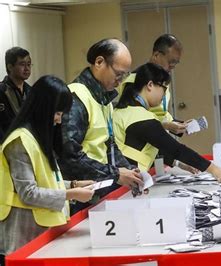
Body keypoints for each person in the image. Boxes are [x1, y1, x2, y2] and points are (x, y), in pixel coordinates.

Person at [0, 76, 94, 259]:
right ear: (43, 109)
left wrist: (73, 185)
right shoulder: (20, 142)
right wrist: (71, 195)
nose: (59, 120)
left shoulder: (37, 137)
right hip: (22, 234)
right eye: (57, 113)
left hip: (39, 230)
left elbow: (47, 180)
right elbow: (28, 192)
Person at [58, 38, 144, 214]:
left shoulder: (104, 100)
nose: (120, 81)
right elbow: (70, 156)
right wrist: (116, 174)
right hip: (81, 195)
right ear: (99, 62)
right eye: (118, 74)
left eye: (125, 76)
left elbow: (109, 145)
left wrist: (129, 172)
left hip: (100, 190)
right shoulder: (76, 97)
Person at [114, 63, 221, 184]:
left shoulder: (125, 111)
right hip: (125, 182)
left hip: (123, 177)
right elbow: (176, 149)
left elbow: (147, 148)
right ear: (150, 85)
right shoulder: (140, 117)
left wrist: (178, 163)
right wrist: (213, 169)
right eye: (164, 88)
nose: (164, 95)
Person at [119, 34, 188, 136]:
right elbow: (134, 122)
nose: (172, 66)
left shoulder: (162, 81)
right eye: (170, 62)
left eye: (176, 63)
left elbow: (160, 113)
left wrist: (179, 125)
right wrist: (166, 126)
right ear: (156, 55)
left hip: (157, 141)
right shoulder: (134, 81)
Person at [0, 47, 33, 140]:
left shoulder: (31, 91)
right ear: (10, 67)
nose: (27, 68)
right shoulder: (2, 91)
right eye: (22, 64)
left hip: (27, 143)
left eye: (29, 64)